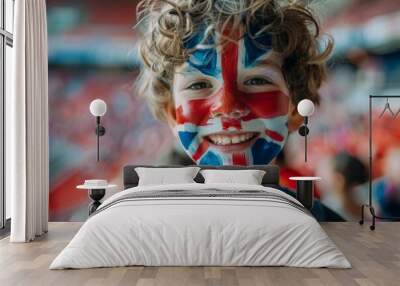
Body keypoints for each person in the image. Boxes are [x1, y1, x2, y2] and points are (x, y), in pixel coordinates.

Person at [135, 0, 332, 166]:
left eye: (256, 80)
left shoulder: (314, 214)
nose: (227, 108)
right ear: (173, 114)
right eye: (199, 85)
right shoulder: (143, 213)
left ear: (296, 109)